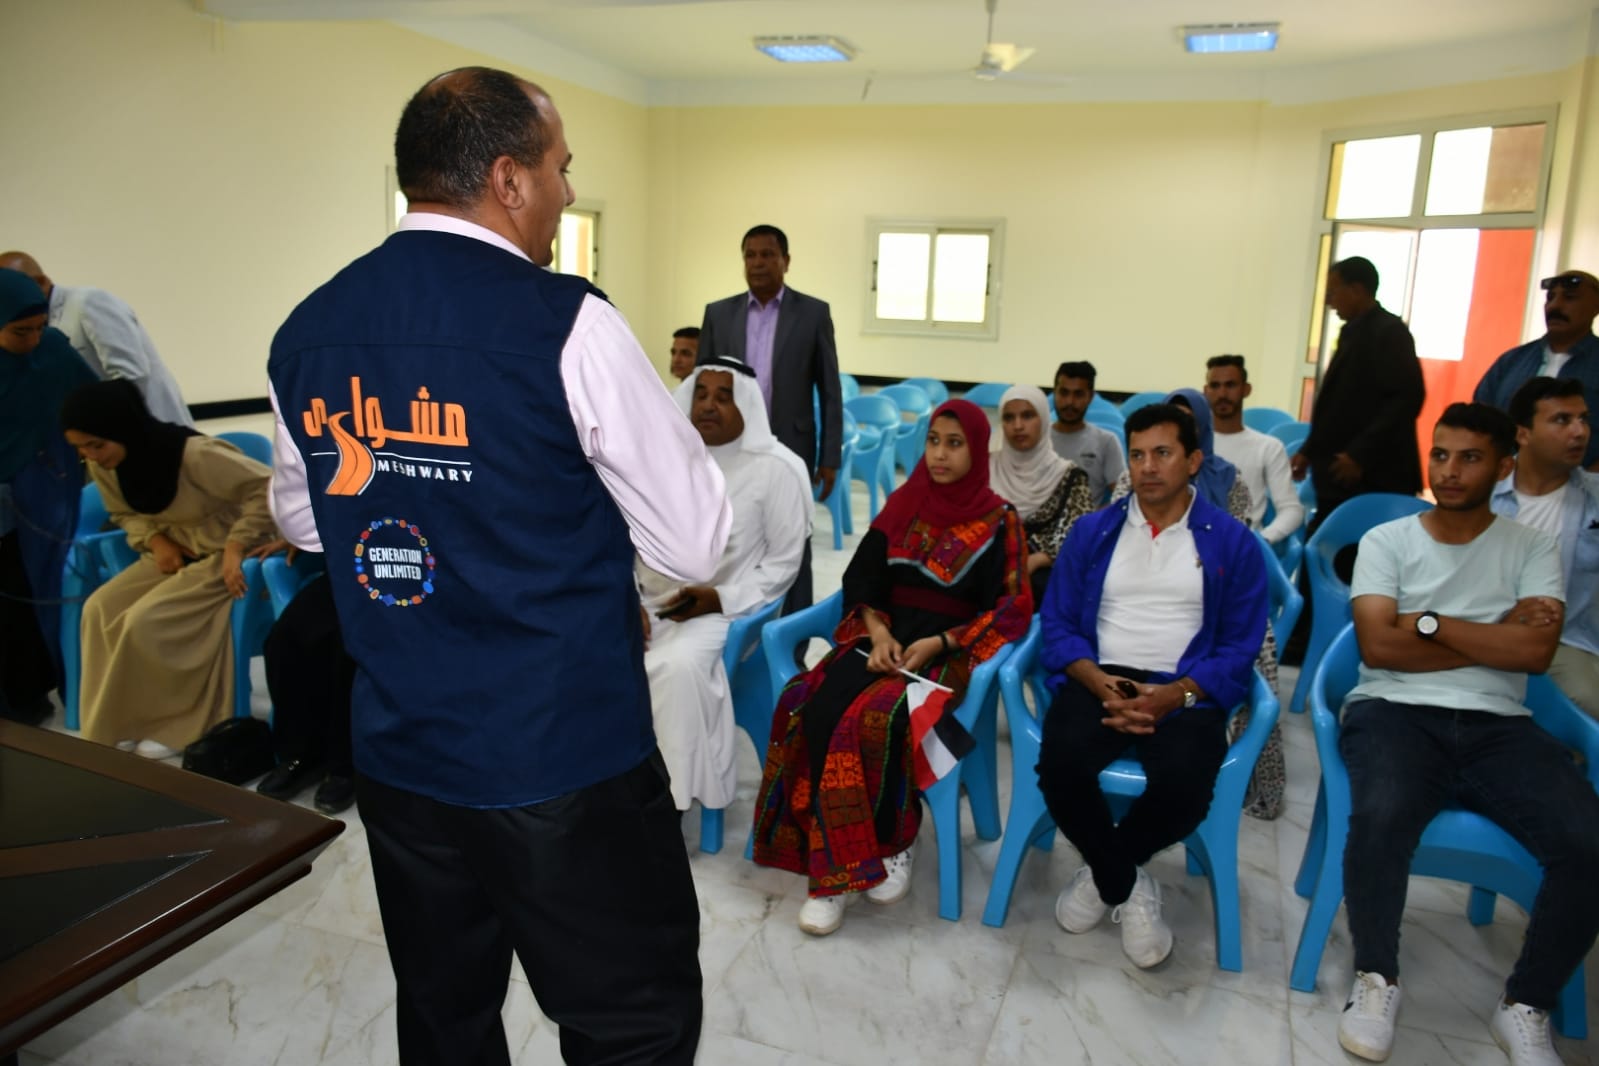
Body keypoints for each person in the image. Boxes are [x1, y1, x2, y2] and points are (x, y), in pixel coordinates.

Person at [267, 67, 730, 1066]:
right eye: (562, 168)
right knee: (630, 1021)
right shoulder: (568, 322)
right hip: (561, 760)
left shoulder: (309, 327)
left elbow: (305, 522)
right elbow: (693, 544)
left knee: (446, 1016)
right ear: (510, 179)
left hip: (402, 754)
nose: (569, 190)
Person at [1336, 402, 1599, 1065]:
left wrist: (1425, 623)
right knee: (1381, 816)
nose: (1449, 471)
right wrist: (1491, 636)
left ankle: (1526, 1003)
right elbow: (1377, 647)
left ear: (1503, 467)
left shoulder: (1530, 548)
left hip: (1498, 724)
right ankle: (1376, 978)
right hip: (1392, 709)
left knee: (1587, 842)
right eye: (1440, 455)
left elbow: (1534, 654)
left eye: (1470, 458)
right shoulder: (1388, 541)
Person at [753, 399, 1031, 937]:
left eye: (955, 444)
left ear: (977, 450)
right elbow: (862, 579)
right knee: (811, 704)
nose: (940, 455)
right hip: (882, 641)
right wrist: (878, 633)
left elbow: (1013, 605)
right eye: (934, 442)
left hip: (945, 656)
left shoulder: (1000, 521)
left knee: (875, 721)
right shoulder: (905, 503)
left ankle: (889, 844)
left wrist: (942, 642)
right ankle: (841, 857)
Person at [1035, 403, 1267, 968]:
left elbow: (1239, 647)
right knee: (1060, 767)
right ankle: (1128, 882)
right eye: (1137, 455)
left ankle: (1105, 871)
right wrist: (1097, 682)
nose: (1147, 467)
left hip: (1186, 688)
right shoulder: (1095, 531)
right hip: (1102, 678)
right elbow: (1058, 623)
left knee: (1187, 786)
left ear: (1194, 460)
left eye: (1162, 453)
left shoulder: (1231, 541)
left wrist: (1175, 696)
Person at [60, 380, 276, 757]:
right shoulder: (106, 466)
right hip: (177, 549)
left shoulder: (195, 456)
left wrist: (236, 544)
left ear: (122, 429)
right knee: (98, 610)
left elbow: (267, 488)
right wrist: (156, 541)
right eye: (80, 448)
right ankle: (122, 719)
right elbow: (123, 513)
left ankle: (176, 725)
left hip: (231, 554)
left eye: (96, 445)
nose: (90, 456)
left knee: (147, 620)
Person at [638, 357, 811, 812]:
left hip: (726, 614)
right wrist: (622, 597)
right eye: (700, 394)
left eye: (723, 396)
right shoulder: (662, 458)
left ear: (746, 405)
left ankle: (667, 802)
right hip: (646, 602)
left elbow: (783, 565)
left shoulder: (776, 469)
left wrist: (719, 598)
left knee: (676, 667)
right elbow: (623, 537)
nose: (708, 406)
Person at [698, 224, 840, 615]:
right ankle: (737, 622)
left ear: (786, 261)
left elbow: (830, 390)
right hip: (731, 450)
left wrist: (830, 457)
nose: (758, 263)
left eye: (767, 255)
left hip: (791, 446)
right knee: (731, 533)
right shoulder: (718, 314)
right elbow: (701, 385)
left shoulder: (813, 314)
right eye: (750, 255)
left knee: (792, 540)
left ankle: (792, 632)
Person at [0, 268, 96, 724]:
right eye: (21, 332)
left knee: (47, 589)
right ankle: (17, 699)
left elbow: (95, 402)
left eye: (39, 327)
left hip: (47, 488)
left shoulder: (54, 349)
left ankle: (58, 685)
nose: (34, 340)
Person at [1490, 377, 1599, 717]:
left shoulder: (1596, 497)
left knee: (1588, 702)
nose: (1579, 432)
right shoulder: (1483, 494)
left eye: (1583, 419)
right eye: (1562, 420)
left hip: (1568, 641)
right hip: (1483, 630)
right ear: (1523, 434)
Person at [1292, 255, 1426, 526]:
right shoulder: (1353, 331)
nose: (1329, 302)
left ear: (1356, 290)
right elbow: (1336, 404)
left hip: (1373, 474)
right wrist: (1309, 450)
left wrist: (1358, 455)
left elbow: (1406, 399)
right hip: (1338, 474)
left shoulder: (1389, 332)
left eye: (1333, 292)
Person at [0, 251, 193, 427]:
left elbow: (131, 374)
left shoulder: (88, 302)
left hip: (148, 425)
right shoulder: (29, 322)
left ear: (41, 282)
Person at [256, 554, 356, 815]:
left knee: (347, 647)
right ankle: (302, 754)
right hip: (351, 569)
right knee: (284, 640)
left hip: (409, 575)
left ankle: (345, 765)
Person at [1475, 271, 1599, 468]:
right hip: (1505, 481)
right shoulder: (1511, 362)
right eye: (1550, 298)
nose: (1555, 306)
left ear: (1595, 307)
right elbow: (1478, 425)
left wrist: (1590, 480)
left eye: (1569, 298)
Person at [991, 384, 1094, 603]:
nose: (1018, 426)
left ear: (1045, 419)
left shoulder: (1069, 476)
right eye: (1009, 418)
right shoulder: (986, 469)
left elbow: (1080, 537)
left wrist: (1038, 559)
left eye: (1027, 416)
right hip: (989, 569)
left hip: (1044, 576)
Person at [1203, 354, 1305, 544]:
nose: (1222, 394)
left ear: (1246, 389)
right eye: (1215, 386)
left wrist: (1261, 541)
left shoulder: (1268, 447)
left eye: (1230, 385)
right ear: (1206, 391)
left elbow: (1291, 509)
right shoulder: (1191, 445)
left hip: (1243, 546)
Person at [1049, 360, 1125, 504]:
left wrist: (1096, 516)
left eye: (1078, 394)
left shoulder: (1106, 442)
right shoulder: (1037, 439)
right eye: (1064, 393)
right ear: (1054, 393)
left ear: (1090, 397)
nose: (1069, 402)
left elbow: (1122, 496)